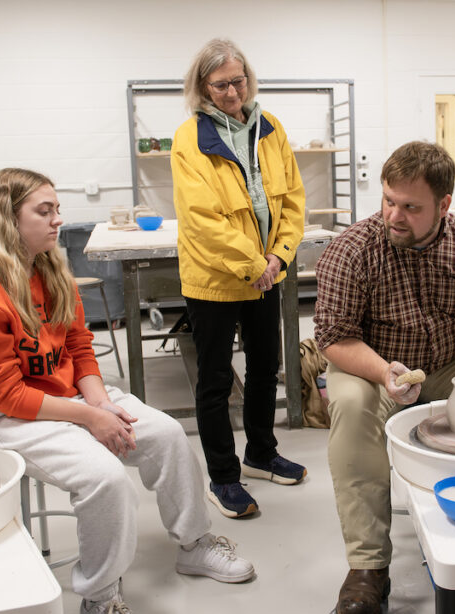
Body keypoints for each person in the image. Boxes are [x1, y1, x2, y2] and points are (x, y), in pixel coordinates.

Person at [0, 168, 255, 614]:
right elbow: (6, 396)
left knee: (165, 435)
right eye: (43, 211)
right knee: (104, 478)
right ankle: (100, 596)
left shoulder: (48, 269)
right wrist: (90, 418)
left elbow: (78, 345)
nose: (56, 221)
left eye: (56, 210)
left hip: (66, 397)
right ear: (7, 219)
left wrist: (100, 402)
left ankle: (194, 544)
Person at [314, 141, 455, 614]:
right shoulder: (351, 250)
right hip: (374, 365)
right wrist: (384, 372)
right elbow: (334, 339)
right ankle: (368, 568)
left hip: (453, 360)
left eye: (411, 207)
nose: (395, 216)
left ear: (444, 205)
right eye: (388, 201)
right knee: (354, 410)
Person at [171, 38, 307, 519]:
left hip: (265, 274)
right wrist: (255, 265)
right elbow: (202, 218)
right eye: (221, 84)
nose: (233, 92)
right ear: (203, 87)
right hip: (215, 277)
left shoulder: (270, 128)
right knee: (213, 381)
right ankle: (223, 477)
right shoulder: (191, 137)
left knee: (266, 366)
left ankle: (261, 453)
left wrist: (279, 257)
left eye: (239, 80)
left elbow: (291, 199)